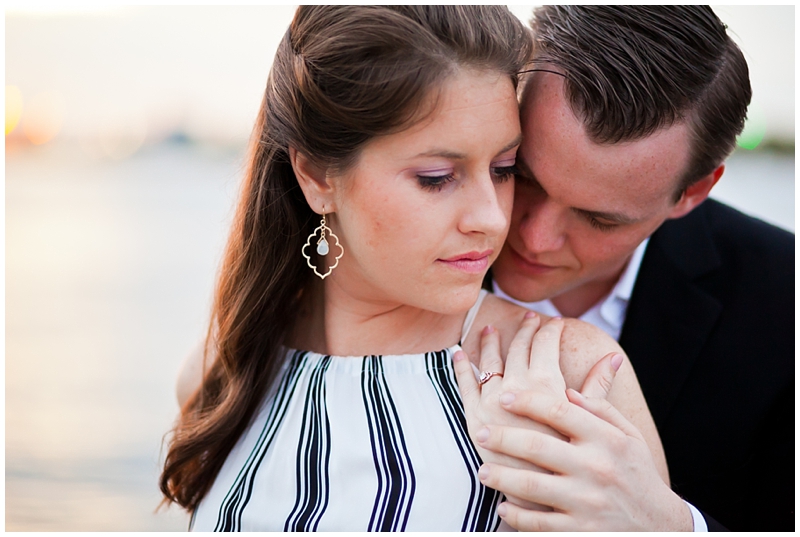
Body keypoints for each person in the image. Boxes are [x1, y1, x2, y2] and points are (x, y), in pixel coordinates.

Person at [160, 6, 669, 531]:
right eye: (436, 177)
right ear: (316, 175)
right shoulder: (224, 371)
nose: (492, 219)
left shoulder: (576, 378)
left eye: (504, 169)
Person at [473, 5, 794, 532]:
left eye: (598, 219)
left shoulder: (785, 304)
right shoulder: (387, 245)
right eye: (519, 175)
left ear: (693, 193)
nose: (532, 236)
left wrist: (667, 524)